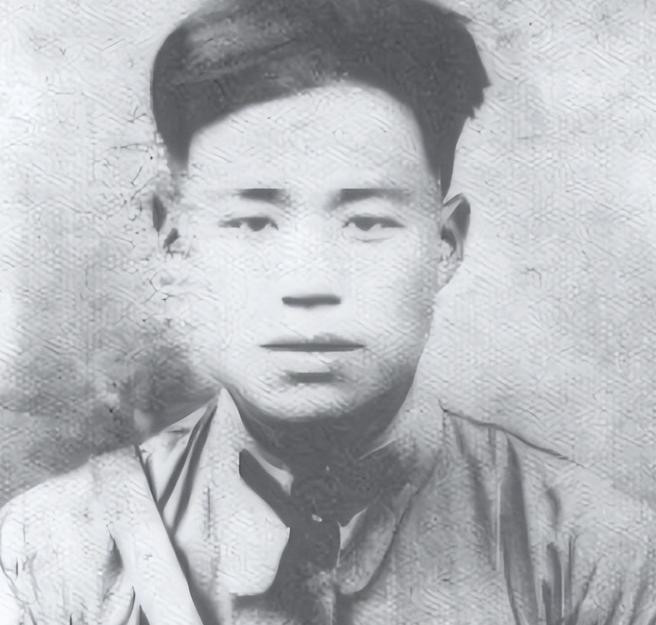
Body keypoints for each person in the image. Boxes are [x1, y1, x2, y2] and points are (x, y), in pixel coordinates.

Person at [2, 0, 656, 623]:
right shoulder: (52, 553)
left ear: (444, 243)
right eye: (253, 222)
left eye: (367, 222)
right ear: (176, 241)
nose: (308, 284)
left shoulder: (594, 557)